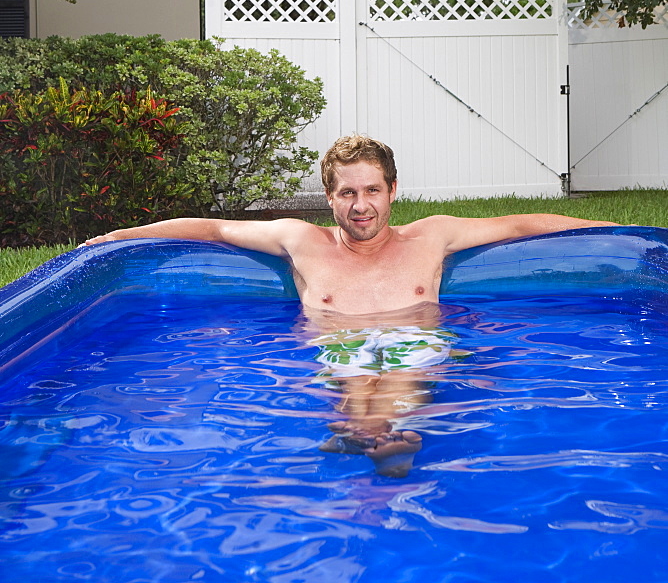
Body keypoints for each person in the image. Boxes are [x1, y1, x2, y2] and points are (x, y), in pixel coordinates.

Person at [85, 134, 617, 476]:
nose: (361, 206)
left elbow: (523, 225)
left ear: (392, 191)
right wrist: (125, 235)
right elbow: (213, 227)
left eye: (372, 191)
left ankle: (378, 460)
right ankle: (386, 461)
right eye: (346, 194)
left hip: (416, 341)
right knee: (358, 395)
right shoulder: (300, 240)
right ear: (330, 197)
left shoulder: (431, 237)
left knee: (381, 402)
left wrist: (614, 228)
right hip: (337, 343)